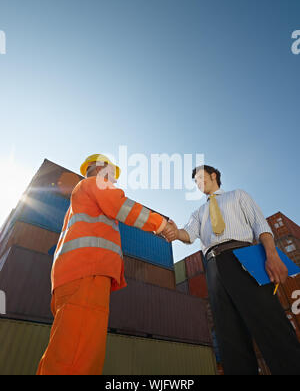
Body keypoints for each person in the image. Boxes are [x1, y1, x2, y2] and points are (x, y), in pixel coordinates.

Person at [37, 154, 172, 375]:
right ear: (100, 169)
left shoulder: (79, 200)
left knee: (64, 351)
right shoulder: (94, 184)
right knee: (79, 357)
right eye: (111, 174)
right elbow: (121, 206)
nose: (114, 181)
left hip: (72, 278)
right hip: (86, 275)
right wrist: (162, 225)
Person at [163, 164, 300, 375]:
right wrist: (173, 231)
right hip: (213, 267)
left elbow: (261, 225)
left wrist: (272, 255)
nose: (199, 183)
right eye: (195, 182)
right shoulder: (198, 212)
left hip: (243, 257)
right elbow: (188, 235)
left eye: (201, 178)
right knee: (230, 338)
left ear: (213, 175)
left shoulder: (238, 195)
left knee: (271, 326)